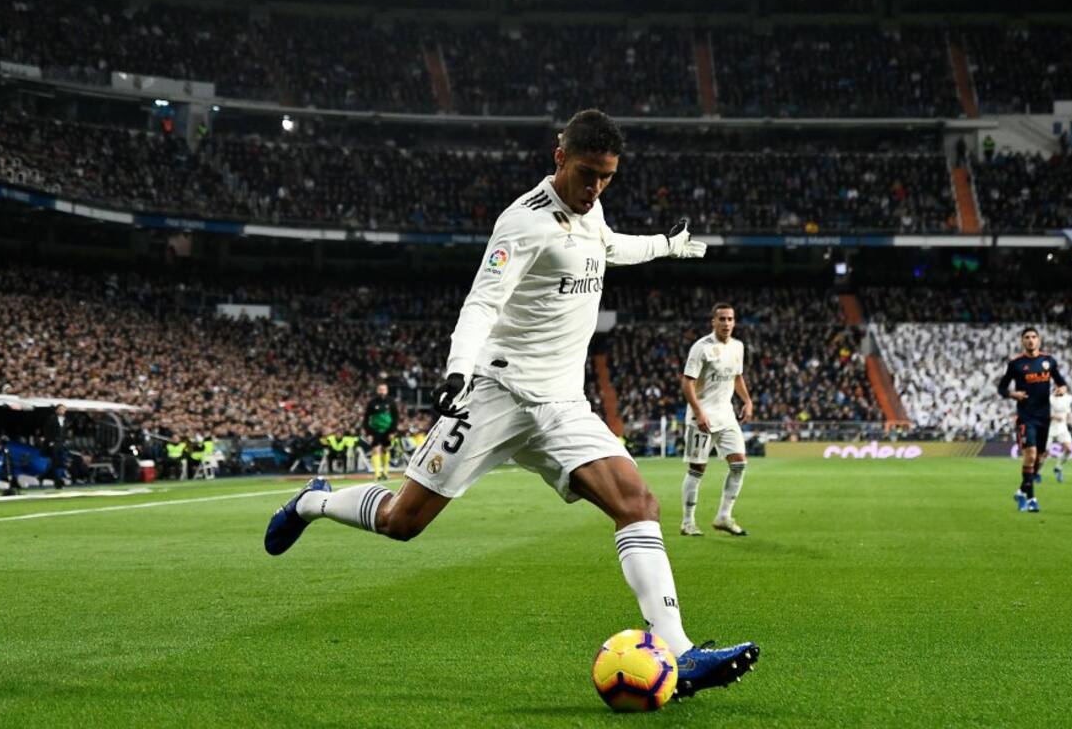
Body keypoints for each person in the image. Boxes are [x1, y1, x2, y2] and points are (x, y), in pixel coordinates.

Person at [264, 109, 758, 698]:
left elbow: (606, 247)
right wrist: (456, 368)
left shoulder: (590, 208)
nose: (595, 188)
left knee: (637, 500)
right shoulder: (521, 224)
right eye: (586, 174)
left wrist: (667, 245)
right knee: (403, 522)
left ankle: (679, 654)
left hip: (562, 404)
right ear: (559, 158)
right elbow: (481, 303)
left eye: (606, 177)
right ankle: (315, 502)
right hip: (496, 392)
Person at [679, 303, 754, 537]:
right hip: (702, 417)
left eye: (730, 319)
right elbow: (687, 382)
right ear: (713, 321)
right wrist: (699, 412)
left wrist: (747, 401)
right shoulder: (701, 348)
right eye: (722, 319)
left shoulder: (738, 347)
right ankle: (688, 522)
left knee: (739, 464)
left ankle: (723, 516)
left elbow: (737, 377)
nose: (726, 323)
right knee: (697, 469)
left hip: (726, 416)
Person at [997, 327, 1067, 512]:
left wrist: (1061, 390)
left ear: (1039, 340)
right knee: (1031, 455)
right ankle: (1032, 499)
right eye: (1027, 337)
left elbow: (1062, 383)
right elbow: (1001, 388)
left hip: (1044, 417)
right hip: (1026, 417)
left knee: (1040, 458)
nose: (1030, 340)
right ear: (1022, 341)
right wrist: (1013, 394)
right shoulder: (1016, 364)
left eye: (1034, 337)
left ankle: (1021, 491)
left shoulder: (1048, 361)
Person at [364, 382, 397, 481]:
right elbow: (366, 418)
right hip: (375, 430)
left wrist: (393, 431)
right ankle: (377, 474)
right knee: (376, 449)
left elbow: (396, 417)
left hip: (388, 430)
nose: (382, 391)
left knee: (385, 450)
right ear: (377, 390)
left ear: (387, 390)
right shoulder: (372, 402)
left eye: (384, 389)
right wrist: (368, 433)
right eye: (380, 389)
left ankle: (385, 472)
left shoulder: (391, 402)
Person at [1049, 388, 1072, 483]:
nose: (1063, 390)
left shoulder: (1068, 398)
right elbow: (1043, 413)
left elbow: (1067, 412)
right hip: (1049, 428)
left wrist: (1071, 420)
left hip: (1062, 428)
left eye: (1064, 388)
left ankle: (1058, 468)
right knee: (1043, 454)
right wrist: (1054, 417)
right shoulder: (1049, 398)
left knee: (1069, 449)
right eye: (1061, 388)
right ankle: (1037, 472)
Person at [42, 404, 71, 489]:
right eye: (61, 409)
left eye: (64, 409)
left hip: (61, 444)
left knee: (62, 462)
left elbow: (65, 432)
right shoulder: (51, 419)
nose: (62, 411)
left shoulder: (66, 420)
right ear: (56, 410)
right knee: (55, 463)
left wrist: (65, 440)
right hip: (54, 443)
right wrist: (51, 442)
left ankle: (60, 479)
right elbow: (47, 431)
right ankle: (56, 481)